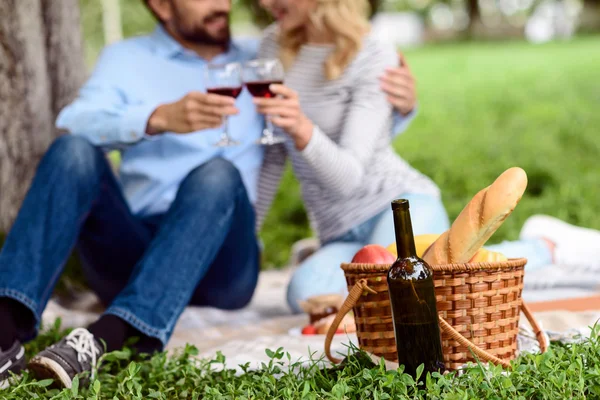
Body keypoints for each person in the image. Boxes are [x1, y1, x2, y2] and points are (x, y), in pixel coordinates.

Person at [0, 0, 416, 389]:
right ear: (162, 6)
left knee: (218, 172)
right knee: (72, 150)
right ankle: (6, 327)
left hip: (224, 261)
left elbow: (334, 116)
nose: (222, 3)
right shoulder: (126, 58)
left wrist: (401, 105)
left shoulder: (264, 57)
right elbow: (76, 121)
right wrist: (157, 117)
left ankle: (112, 335)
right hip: (132, 252)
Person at [251, 0, 600, 314]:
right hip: (338, 230)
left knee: (412, 286)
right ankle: (343, 254)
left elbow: (350, 177)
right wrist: (250, 236)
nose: (264, 3)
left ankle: (543, 245)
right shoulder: (273, 47)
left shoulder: (372, 52)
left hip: (398, 206)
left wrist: (301, 128)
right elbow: (270, 154)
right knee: (303, 294)